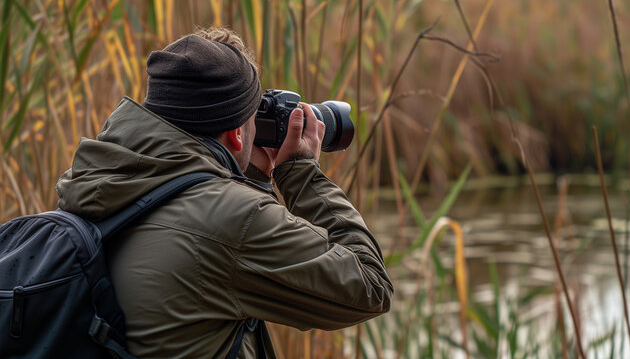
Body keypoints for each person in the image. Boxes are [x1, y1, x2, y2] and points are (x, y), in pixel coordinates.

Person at [56, 27, 393, 358]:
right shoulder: (236, 219)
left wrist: (252, 177)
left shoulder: (91, 181)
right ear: (236, 135)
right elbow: (370, 287)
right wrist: (301, 173)